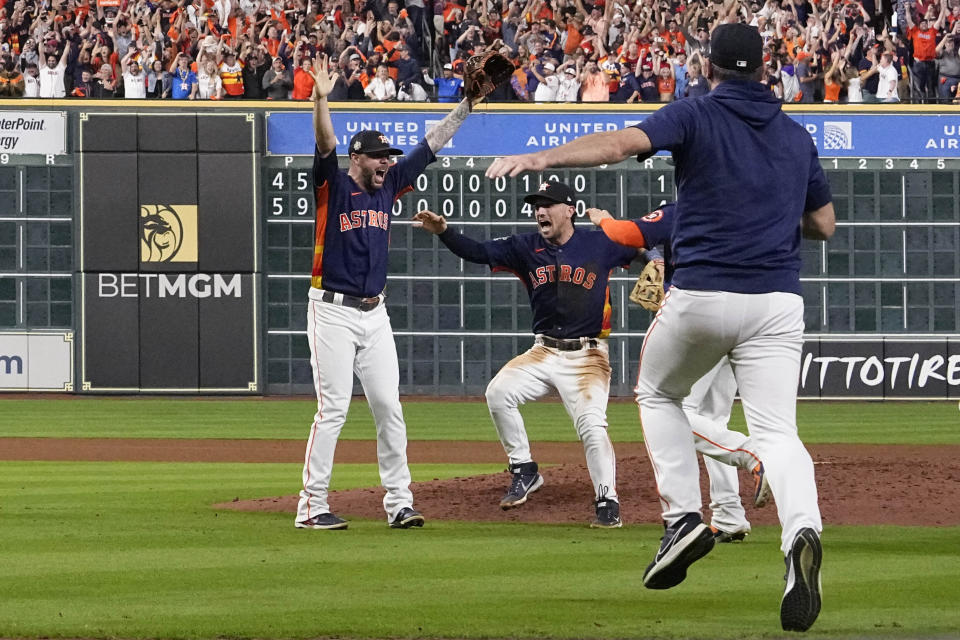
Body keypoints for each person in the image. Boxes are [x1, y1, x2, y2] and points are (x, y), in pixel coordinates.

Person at [486, 23, 835, 633]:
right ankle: (801, 532)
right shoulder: (795, 134)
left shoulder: (696, 113)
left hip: (702, 293)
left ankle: (681, 520)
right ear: (761, 68)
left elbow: (622, 142)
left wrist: (542, 157)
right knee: (779, 432)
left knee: (656, 394)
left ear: (712, 68)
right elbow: (825, 224)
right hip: (778, 302)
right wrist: (766, 211)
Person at [296, 54, 482, 531]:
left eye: (389, 158)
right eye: (379, 156)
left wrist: (468, 104)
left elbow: (432, 144)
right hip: (331, 310)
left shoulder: (389, 186)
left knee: (389, 407)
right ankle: (312, 506)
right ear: (357, 157)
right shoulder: (332, 186)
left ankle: (400, 502)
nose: (388, 162)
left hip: (375, 314)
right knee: (333, 410)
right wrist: (320, 96)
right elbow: (324, 141)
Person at [413, 181, 638, 528]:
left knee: (592, 426)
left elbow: (643, 246)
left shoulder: (600, 243)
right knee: (498, 392)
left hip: (587, 356)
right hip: (544, 349)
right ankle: (525, 469)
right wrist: (444, 231)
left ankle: (607, 500)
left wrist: (659, 264)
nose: (540, 211)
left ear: (569, 209)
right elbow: (477, 251)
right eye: (536, 205)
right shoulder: (524, 247)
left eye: (547, 204)